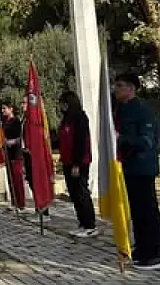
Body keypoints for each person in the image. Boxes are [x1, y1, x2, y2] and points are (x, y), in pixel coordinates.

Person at [114, 73, 160, 270]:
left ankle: (155, 253)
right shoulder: (121, 110)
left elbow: (146, 141)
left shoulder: (142, 110)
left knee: (147, 210)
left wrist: (119, 138)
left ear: (131, 88)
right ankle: (142, 248)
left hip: (142, 167)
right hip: (128, 167)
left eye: (120, 86)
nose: (116, 89)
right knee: (136, 211)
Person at [57, 91, 97, 238]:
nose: (62, 106)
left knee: (81, 193)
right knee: (73, 193)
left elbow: (81, 142)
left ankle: (90, 225)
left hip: (79, 162)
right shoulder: (65, 119)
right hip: (67, 161)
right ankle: (82, 222)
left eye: (64, 103)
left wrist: (77, 164)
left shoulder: (80, 118)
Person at [1, 103, 26, 211]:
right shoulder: (4, 122)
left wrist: (12, 141)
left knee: (17, 179)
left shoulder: (16, 121)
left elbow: (21, 137)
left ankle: (21, 203)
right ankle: (13, 202)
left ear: (11, 109)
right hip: (8, 153)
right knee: (10, 179)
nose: (2, 110)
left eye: (4, 108)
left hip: (16, 154)